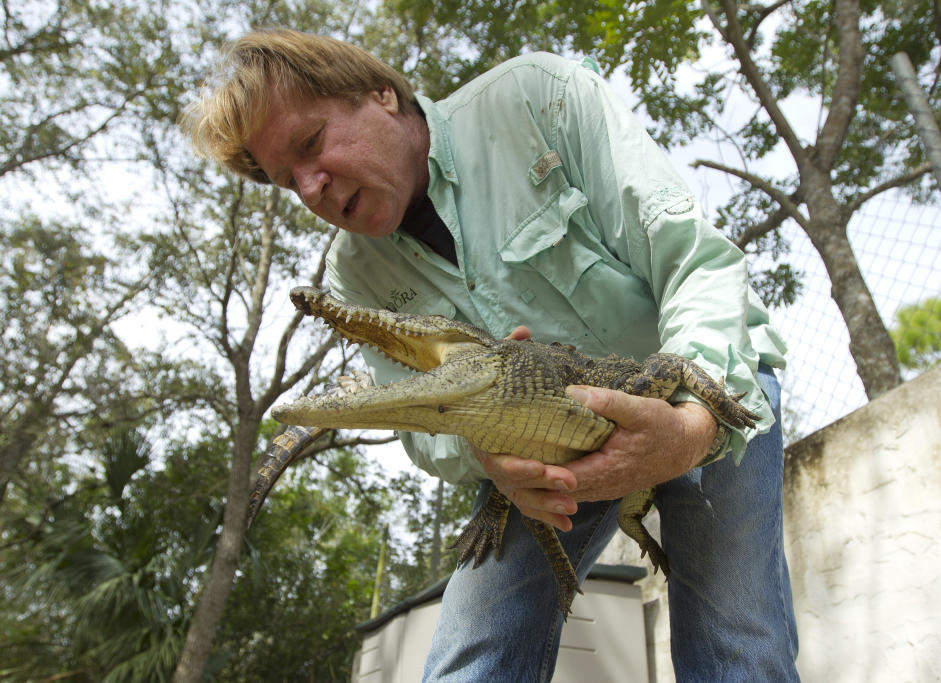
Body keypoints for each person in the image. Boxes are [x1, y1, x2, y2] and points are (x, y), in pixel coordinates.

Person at [183, 28, 800, 681]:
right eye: (287, 180)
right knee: (467, 662)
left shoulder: (536, 97)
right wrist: (491, 460)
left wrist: (690, 428)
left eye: (311, 144)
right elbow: (426, 431)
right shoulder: (353, 278)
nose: (311, 189)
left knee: (736, 643)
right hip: (537, 457)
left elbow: (694, 262)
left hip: (696, 387)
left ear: (382, 94)